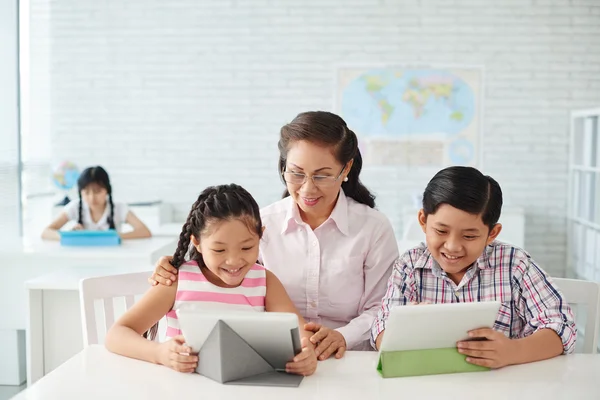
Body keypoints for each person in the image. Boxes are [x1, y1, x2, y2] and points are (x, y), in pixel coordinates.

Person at [150, 111, 399, 359]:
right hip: (280, 357)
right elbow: (231, 278)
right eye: (296, 173)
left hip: (351, 358)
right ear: (283, 167)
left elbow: (382, 306)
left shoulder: (373, 228)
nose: (308, 188)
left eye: (322, 175)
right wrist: (182, 266)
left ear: (346, 169)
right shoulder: (261, 225)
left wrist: (343, 335)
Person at [371, 166, 576, 368]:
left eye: (469, 236)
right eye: (441, 231)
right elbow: (380, 331)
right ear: (423, 221)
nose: (452, 246)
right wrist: (401, 328)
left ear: (492, 234)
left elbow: (562, 326)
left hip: (504, 387)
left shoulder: (514, 265)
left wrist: (513, 351)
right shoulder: (409, 267)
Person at [105, 184, 317, 376]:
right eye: (219, 249)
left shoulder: (264, 282)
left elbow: (301, 335)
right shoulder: (177, 280)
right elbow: (117, 334)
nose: (233, 261)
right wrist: (160, 353)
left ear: (260, 236)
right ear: (197, 242)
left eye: (246, 247)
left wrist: (306, 355)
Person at [41, 166, 152, 240]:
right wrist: (71, 236)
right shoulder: (75, 206)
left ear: (107, 190)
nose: (92, 197)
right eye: (86, 192)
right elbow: (46, 232)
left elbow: (144, 231)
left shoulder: (119, 207)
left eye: (97, 191)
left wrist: (115, 237)